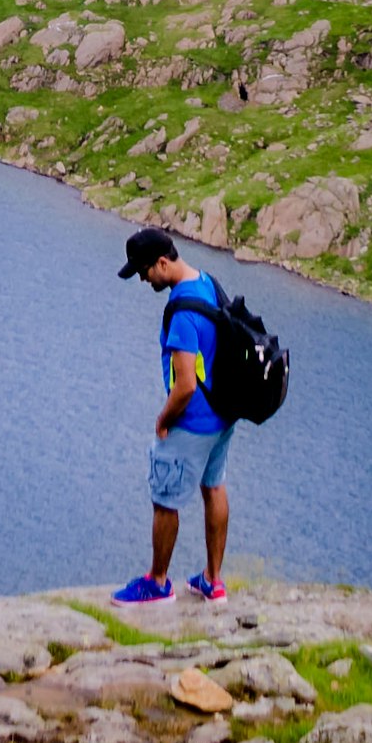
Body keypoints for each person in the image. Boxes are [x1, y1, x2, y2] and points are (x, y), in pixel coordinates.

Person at [115, 224, 232, 604]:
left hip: (192, 422)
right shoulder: (208, 284)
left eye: (146, 272)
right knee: (213, 487)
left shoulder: (181, 311)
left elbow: (184, 385)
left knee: (165, 499)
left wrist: (164, 420)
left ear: (162, 263)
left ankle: (158, 582)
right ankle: (213, 581)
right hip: (223, 415)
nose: (145, 280)